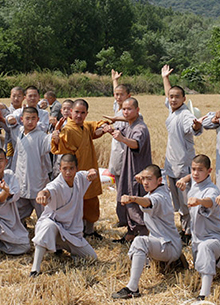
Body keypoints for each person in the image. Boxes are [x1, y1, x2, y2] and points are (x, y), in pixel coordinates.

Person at [111, 164, 187, 299]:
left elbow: (148, 202)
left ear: (159, 181)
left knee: (140, 241)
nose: (145, 182)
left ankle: (132, 288)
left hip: (169, 245)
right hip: (164, 243)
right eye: (144, 179)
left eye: (149, 179)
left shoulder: (160, 196)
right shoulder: (159, 187)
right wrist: (144, 176)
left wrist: (132, 199)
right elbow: (157, 171)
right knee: (140, 243)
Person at [30, 154, 98, 276]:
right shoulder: (56, 184)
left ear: (76, 169)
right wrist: (42, 194)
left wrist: (94, 172)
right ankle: (35, 269)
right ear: (60, 169)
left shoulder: (80, 179)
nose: (68, 172)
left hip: (72, 232)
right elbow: (47, 191)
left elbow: (90, 173)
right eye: (64, 168)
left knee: (91, 258)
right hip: (54, 228)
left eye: (71, 168)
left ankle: (70, 253)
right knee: (48, 225)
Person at [51, 99, 109, 239]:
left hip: (90, 169)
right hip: (76, 173)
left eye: (82, 113)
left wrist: (105, 128)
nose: (79, 115)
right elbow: (58, 146)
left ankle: (89, 230)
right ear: (71, 112)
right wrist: (56, 136)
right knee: (76, 203)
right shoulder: (68, 130)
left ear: (86, 114)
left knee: (91, 202)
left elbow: (96, 127)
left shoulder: (86, 126)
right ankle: (77, 232)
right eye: (76, 112)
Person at [160, 65, 202, 242]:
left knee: (186, 201)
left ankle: (190, 233)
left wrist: (196, 125)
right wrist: (165, 78)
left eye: (177, 97)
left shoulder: (185, 115)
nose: (173, 99)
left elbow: (192, 127)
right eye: (171, 97)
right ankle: (185, 230)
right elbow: (168, 93)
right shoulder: (173, 110)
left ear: (184, 99)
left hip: (183, 164)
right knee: (177, 202)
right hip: (171, 164)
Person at [180, 155, 220, 300]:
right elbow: (192, 176)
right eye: (193, 169)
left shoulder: (211, 189)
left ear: (209, 171)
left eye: (200, 170)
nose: (195, 173)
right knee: (199, 259)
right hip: (197, 240)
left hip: (215, 240)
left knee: (205, 248)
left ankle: (204, 294)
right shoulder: (195, 184)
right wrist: (184, 179)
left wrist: (199, 201)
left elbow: (211, 201)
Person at [103, 97, 151, 242]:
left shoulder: (139, 128)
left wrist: (122, 139)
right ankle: (131, 233)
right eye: (124, 109)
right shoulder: (129, 125)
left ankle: (143, 235)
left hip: (137, 170)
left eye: (129, 109)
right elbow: (120, 131)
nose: (126, 112)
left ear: (137, 110)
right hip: (128, 168)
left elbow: (136, 144)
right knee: (126, 197)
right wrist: (110, 130)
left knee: (134, 199)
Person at [14, 107, 53, 222]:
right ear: (22, 119)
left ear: (38, 120)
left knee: (43, 215)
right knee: (18, 214)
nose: (30, 122)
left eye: (33, 119)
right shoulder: (19, 132)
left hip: (37, 181)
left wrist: (55, 136)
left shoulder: (41, 136)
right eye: (27, 118)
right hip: (21, 180)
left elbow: (51, 144)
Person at [108, 69, 131, 228]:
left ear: (129, 96)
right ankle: (121, 218)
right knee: (118, 188)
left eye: (121, 94)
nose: (118, 97)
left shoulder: (132, 112)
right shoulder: (118, 108)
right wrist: (115, 80)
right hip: (116, 154)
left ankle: (129, 219)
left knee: (127, 188)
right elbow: (117, 100)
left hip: (127, 156)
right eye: (116, 94)